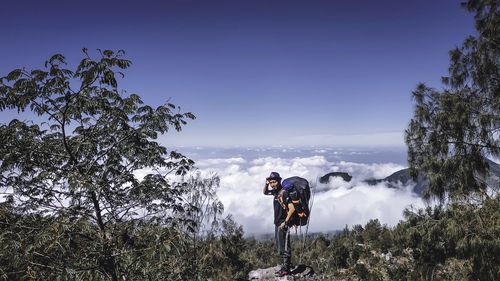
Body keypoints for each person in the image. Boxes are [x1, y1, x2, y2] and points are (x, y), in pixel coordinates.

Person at [263, 172, 295, 277]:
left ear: (279, 181)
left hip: (283, 223)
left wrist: (285, 222)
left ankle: (286, 269)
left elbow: (292, 209)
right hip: (277, 223)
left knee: (284, 246)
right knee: (279, 246)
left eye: (274, 182)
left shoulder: (283, 193)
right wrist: (266, 184)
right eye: (271, 182)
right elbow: (265, 192)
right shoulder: (276, 192)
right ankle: (284, 266)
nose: (272, 184)